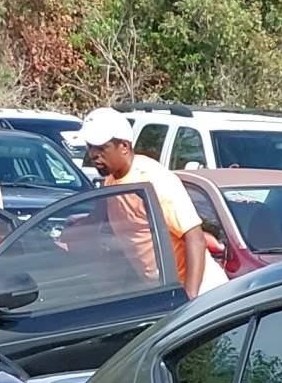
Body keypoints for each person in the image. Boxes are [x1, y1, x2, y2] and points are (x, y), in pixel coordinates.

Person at [75, 107, 214, 296]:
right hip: (161, 290)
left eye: (101, 148)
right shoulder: (111, 181)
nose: (92, 154)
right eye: (90, 146)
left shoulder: (153, 180)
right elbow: (94, 223)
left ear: (124, 146)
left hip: (198, 290)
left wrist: (189, 300)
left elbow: (195, 238)